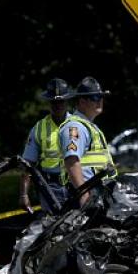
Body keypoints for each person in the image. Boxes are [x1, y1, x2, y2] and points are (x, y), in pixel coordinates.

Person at [18, 78, 74, 214]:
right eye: (54, 102)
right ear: (49, 102)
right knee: (52, 227)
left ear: (67, 101)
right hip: (50, 187)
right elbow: (27, 164)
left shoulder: (77, 125)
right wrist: (23, 195)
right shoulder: (39, 128)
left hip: (75, 184)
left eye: (61, 101)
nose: (58, 105)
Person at [58, 76, 115, 207]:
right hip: (86, 197)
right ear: (82, 102)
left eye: (101, 97)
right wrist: (83, 195)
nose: (100, 101)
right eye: (95, 98)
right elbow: (71, 161)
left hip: (97, 194)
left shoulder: (89, 126)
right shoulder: (75, 127)